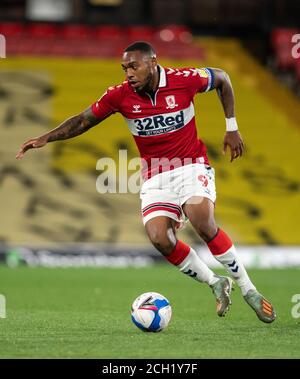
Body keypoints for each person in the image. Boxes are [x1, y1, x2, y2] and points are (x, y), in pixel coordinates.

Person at [16, 41, 276, 323]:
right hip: (155, 174)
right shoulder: (119, 95)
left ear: (153, 62)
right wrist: (46, 137)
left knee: (201, 218)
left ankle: (249, 289)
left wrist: (232, 127)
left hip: (191, 164)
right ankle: (216, 283)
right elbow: (83, 121)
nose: (128, 73)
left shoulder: (184, 80)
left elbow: (223, 78)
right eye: (124, 68)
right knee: (159, 238)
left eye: (133, 66)